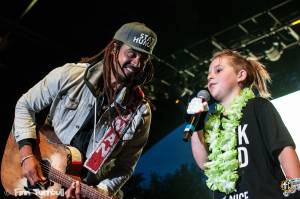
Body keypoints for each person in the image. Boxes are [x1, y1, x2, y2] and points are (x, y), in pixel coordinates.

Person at [12, 21, 157, 198]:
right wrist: (27, 155)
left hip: (81, 187)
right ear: (114, 49)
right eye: (132, 54)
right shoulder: (70, 75)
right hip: (35, 181)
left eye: (143, 58)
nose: (136, 63)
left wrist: (100, 191)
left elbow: (125, 168)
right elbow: (25, 105)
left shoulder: (139, 113)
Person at [187, 49, 300, 198]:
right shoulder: (212, 123)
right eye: (208, 73)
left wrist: (294, 193)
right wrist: (197, 125)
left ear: (240, 75)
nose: (210, 76)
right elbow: (204, 164)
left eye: (218, 70)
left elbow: (284, 151)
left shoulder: (258, 106)